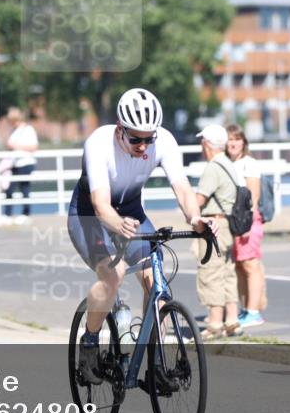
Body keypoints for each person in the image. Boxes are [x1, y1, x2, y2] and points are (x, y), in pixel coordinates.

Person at [67, 88, 214, 383]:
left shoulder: (165, 140)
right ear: (121, 130)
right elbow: (100, 204)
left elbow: (183, 188)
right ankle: (90, 343)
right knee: (113, 275)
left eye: (149, 139)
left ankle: (156, 362)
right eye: (136, 139)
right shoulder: (99, 143)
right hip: (91, 217)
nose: (143, 146)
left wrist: (195, 218)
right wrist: (116, 224)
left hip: (132, 213)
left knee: (157, 281)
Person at [194, 125, 243, 340]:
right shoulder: (229, 164)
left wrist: (189, 212)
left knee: (211, 272)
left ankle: (215, 324)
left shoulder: (213, 167)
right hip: (228, 225)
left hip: (213, 225)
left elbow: (200, 199)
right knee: (227, 273)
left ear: (207, 144)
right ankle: (232, 320)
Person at [226, 124, 267, 327]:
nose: (233, 143)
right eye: (230, 139)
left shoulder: (249, 163)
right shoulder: (226, 163)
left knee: (251, 264)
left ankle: (253, 312)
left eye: (237, 139)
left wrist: (248, 223)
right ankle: (246, 309)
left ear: (244, 142)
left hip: (248, 220)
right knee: (240, 266)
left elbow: (254, 195)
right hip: (234, 221)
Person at [4, 107, 38, 223]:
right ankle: (7, 214)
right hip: (14, 163)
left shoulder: (28, 129)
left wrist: (16, 146)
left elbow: (33, 147)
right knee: (9, 188)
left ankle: (26, 213)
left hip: (25, 163)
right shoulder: (14, 131)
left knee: (25, 188)